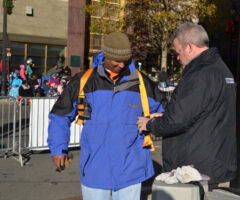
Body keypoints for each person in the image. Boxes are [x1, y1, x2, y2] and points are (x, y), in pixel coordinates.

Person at [47, 32, 165, 200]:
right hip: (95, 169)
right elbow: (60, 116)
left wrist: (154, 120)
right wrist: (59, 149)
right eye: (117, 60)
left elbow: (167, 114)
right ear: (106, 57)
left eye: (125, 60)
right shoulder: (84, 81)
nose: (121, 64)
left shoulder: (142, 83)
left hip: (130, 171)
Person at [137, 22, 237, 189]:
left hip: (195, 165)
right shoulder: (220, 69)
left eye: (178, 51)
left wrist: (150, 124)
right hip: (214, 158)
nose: (177, 57)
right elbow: (202, 113)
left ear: (189, 47)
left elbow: (177, 120)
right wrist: (164, 116)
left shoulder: (200, 74)